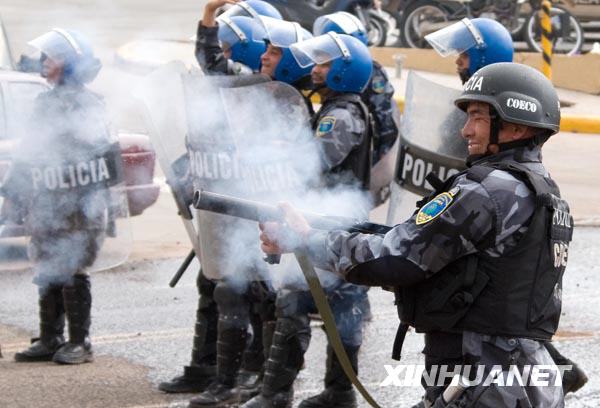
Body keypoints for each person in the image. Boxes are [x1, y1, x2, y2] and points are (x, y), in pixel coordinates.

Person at [260, 62, 571, 407]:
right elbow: (448, 260)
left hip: (481, 383)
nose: (466, 130)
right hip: (514, 379)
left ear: (514, 126)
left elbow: (397, 258)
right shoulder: (544, 194)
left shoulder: (485, 192)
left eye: (479, 117)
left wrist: (304, 240)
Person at [426, 17, 588, 395]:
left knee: (498, 296)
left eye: (464, 54)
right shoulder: (483, 106)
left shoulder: (502, 106)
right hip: (471, 211)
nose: (458, 61)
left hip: (477, 216)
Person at [158, 1, 285, 397]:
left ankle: (246, 372)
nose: (224, 55)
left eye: (231, 47)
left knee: (242, 291)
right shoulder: (229, 84)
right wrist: (209, 14)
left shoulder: (264, 93)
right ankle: (204, 366)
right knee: (211, 282)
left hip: (248, 210)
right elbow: (209, 60)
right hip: (222, 207)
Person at [242, 33, 373, 408]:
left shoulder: (342, 115)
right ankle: (334, 391)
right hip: (331, 221)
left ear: (344, 70)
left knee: (300, 304)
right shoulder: (335, 108)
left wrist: (284, 150)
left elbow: (318, 163)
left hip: (330, 224)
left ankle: (290, 394)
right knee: (334, 310)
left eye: (325, 64)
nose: (315, 70)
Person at [3, 29, 110, 365]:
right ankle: (51, 337)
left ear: (69, 63)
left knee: (73, 266)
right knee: (48, 264)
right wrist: (15, 196)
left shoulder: (89, 105)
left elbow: (100, 156)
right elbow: (30, 153)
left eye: (50, 57)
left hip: (78, 203)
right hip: (47, 201)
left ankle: (80, 341)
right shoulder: (44, 101)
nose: (44, 63)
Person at [313, 11, 399, 165]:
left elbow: (384, 115)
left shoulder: (372, 70)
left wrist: (382, 158)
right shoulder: (332, 74)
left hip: (361, 140)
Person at [425, 17, 513, 85]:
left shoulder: (489, 106)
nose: (457, 61)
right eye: (460, 55)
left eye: (465, 55)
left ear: (486, 58)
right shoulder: (475, 99)